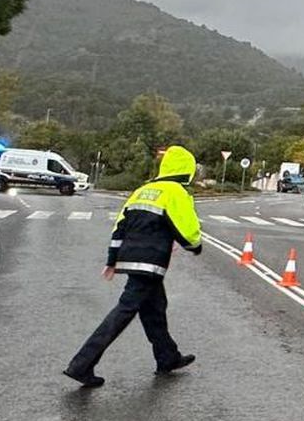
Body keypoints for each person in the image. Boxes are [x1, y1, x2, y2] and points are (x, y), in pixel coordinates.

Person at [64, 145, 202, 387]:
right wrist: (195, 245)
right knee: (123, 312)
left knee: (155, 309)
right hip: (150, 261)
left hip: (131, 258)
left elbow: (120, 226)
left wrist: (112, 259)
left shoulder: (142, 190)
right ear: (187, 170)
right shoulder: (176, 192)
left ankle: (167, 357)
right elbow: (187, 228)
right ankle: (81, 364)